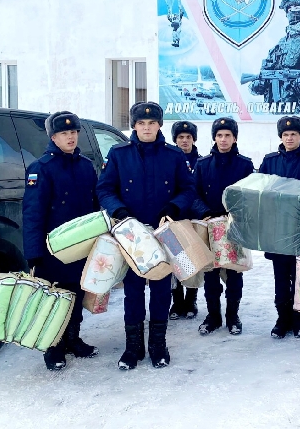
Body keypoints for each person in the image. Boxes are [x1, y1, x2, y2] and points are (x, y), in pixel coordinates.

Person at [96, 102, 196, 370]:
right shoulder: (118, 154)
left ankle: (158, 345)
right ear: (134, 126)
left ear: (159, 125)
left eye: (152, 123)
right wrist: (118, 210)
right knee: (133, 291)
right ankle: (133, 348)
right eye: (141, 123)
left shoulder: (174, 155)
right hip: (131, 234)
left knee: (162, 290)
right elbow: (104, 189)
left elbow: (188, 189)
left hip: (164, 231)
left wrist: (174, 207)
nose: (147, 127)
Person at [23, 111, 99, 371]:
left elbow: (96, 208)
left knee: (76, 295)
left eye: (74, 132)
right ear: (53, 137)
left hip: (81, 247)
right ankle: (53, 347)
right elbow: (33, 214)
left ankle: (73, 339)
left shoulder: (86, 166)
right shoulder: (41, 169)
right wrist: (33, 253)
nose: (71, 137)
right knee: (55, 299)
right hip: (52, 250)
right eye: (65, 133)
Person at [259, 116, 300, 339]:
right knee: (280, 277)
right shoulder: (270, 161)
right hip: (278, 230)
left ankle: (299, 318)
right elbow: (262, 193)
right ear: (280, 137)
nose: (289, 138)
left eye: (293, 134)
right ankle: (282, 318)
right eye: (285, 135)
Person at [192, 117, 254, 336]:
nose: (223, 139)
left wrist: (236, 215)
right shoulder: (202, 164)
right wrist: (205, 213)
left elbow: (250, 196)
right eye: (219, 135)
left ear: (234, 138)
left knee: (234, 274)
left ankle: (232, 316)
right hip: (209, 226)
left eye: (228, 135)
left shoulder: (245, 164)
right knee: (211, 274)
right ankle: (213, 316)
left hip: (234, 226)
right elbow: (194, 193)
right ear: (214, 138)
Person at [246, 0, 300, 114]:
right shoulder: (279, 46)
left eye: (296, 7)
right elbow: (257, 85)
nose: (291, 11)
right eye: (289, 8)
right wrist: (258, 84)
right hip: (276, 117)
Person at [169, 120, 201, 321]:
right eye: (181, 137)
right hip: (174, 217)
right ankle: (176, 301)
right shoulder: (169, 159)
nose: (184, 141)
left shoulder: (201, 161)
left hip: (194, 217)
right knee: (175, 261)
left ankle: (191, 300)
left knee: (192, 261)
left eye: (188, 137)